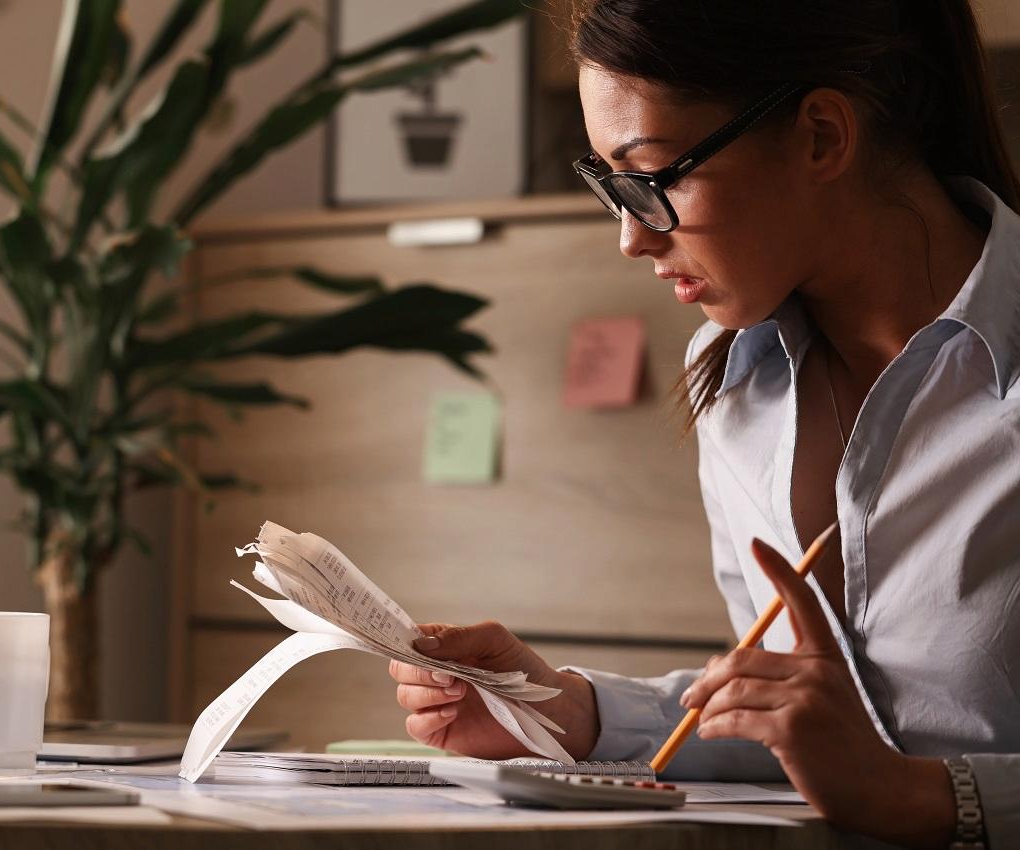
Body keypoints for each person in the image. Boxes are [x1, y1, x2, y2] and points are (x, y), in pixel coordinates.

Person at [387, 2, 1020, 848]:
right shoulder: (730, 377)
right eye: (608, 183)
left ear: (822, 137)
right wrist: (569, 713)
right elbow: (805, 723)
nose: (630, 239)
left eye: (651, 179)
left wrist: (922, 799)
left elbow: (885, 773)